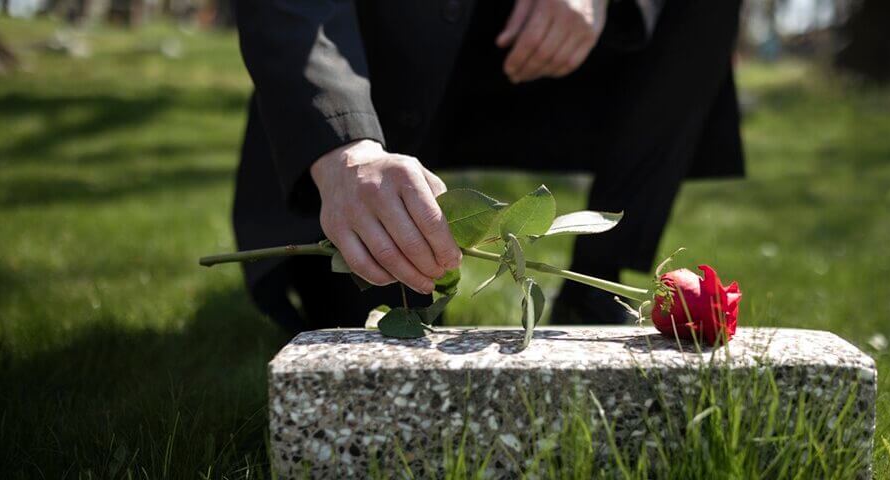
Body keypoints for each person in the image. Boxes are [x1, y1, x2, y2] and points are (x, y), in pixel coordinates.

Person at [231, 0, 745, 334]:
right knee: (372, 306)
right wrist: (343, 146)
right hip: (377, 71)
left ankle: (595, 287)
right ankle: (372, 202)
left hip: (530, 48)